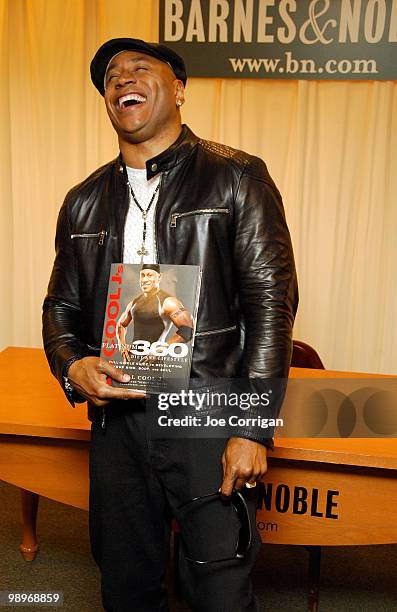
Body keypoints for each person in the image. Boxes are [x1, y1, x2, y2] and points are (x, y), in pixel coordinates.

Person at [42, 37, 298, 612]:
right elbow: (58, 310)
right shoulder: (81, 201)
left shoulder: (237, 177)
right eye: (111, 77)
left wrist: (254, 428)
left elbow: (270, 307)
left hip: (209, 413)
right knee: (125, 585)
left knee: (220, 586)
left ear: (178, 89)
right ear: (108, 102)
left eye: (140, 68)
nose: (123, 79)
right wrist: (72, 365)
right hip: (119, 426)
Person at [116, 263, 194, 363]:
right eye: (142, 275)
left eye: (149, 275)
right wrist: (121, 344)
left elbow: (188, 330)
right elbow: (121, 325)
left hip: (153, 363)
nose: (144, 280)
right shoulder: (134, 303)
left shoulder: (168, 302)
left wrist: (161, 349)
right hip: (131, 361)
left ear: (159, 277)